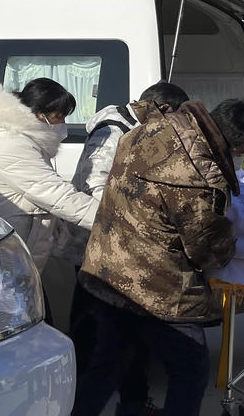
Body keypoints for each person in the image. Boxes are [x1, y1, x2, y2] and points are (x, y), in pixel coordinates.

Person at [73, 98, 244, 416]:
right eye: (239, 150)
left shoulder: (151, 129)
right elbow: (206, 246)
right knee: (190, 368)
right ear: (228, 139)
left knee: (108, 365)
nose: (239, 158)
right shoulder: (194, 173)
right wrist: (233, 242)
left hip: (110, 267)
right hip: (157, 287)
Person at [63, 81, 189, 416]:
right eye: (171, 119)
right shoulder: (111, 133)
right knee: (95, 338)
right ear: (157, 109)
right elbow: (90, 186)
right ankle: (80, 403)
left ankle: (132, 401)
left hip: (121, 251)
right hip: (96, 250)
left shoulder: (135, 130)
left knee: (120, 339)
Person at [0, 78, 98, 271]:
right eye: (58, 117)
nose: (62, 125)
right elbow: (57, 195)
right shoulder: (10, 143)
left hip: (9, 245)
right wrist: (113, 219)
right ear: (37, 114)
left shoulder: (22, 139)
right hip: (0, 253)